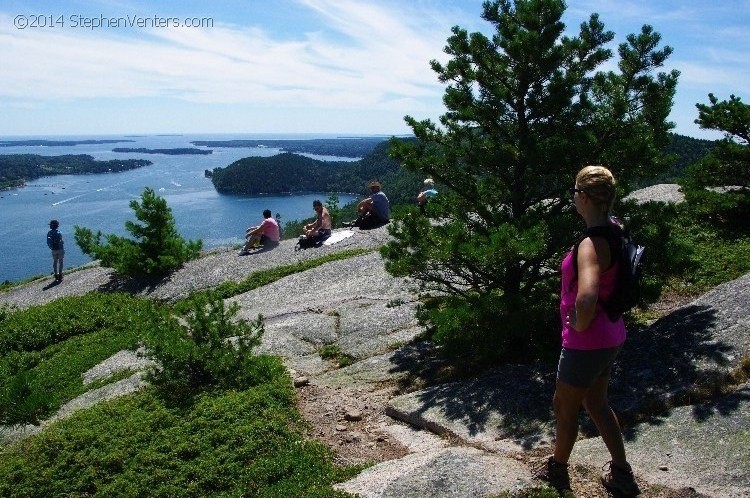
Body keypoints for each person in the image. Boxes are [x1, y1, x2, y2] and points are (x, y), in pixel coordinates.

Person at [534, 165, 640, 496]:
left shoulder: (590, 244)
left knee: (564, 407)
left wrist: (579, 322)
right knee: (596, 401)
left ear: (583, 196)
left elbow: (588, 295)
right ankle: (621, 471)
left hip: (587, 342)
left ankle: (557, 469)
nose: (573, 198)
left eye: (574, 192)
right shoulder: (615, 229)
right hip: (612, 334)